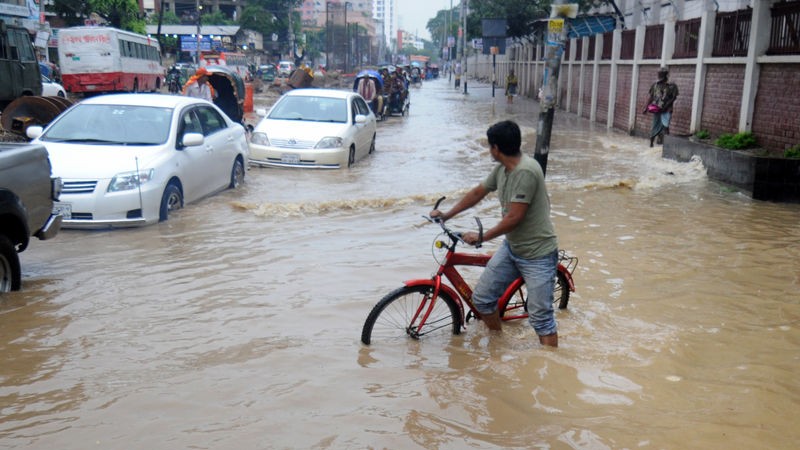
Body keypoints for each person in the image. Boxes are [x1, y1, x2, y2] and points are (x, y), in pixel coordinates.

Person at [430, 120, 560, 347]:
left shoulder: (526, 171)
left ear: (497, 148)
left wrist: (482, 237)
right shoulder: (502, 169)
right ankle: (498, 343)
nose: (489, 150)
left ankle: (549, 371)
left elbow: (513, 218)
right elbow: (478, 192)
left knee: (541, 319)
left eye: (490, 146)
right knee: (482, 300)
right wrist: (447, 215)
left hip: (538, 255)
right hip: (513, 248)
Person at [643, 66, 679, 147]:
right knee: (654, 126)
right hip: (657, 109)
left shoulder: (672, 85)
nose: (659, 76)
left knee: (665, 126)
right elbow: (651, 97)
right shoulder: (655, 85)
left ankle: (667, 146)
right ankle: (651, 145)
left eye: (661, 74)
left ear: (665, 75)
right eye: (658, 74)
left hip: (667, 109)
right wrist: (646, 107)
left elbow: (674, 97)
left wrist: (666, 106)